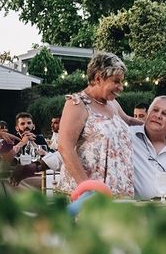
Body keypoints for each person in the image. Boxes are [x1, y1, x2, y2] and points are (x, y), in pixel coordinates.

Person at [58, 51, 139, 197]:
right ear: (98, 78)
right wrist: (86, 189)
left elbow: (129, 121)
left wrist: (163, 130)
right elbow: (65, 148)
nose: (121, 87)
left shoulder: (112, 103)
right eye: (116, 81)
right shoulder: (77, 104)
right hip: (89, 194)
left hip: (117, 193)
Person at [131, 96, 166, 200]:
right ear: (148, 114)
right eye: (155, 110)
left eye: (165, 114)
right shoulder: (129, 136)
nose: (158, 115)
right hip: (134, 212)